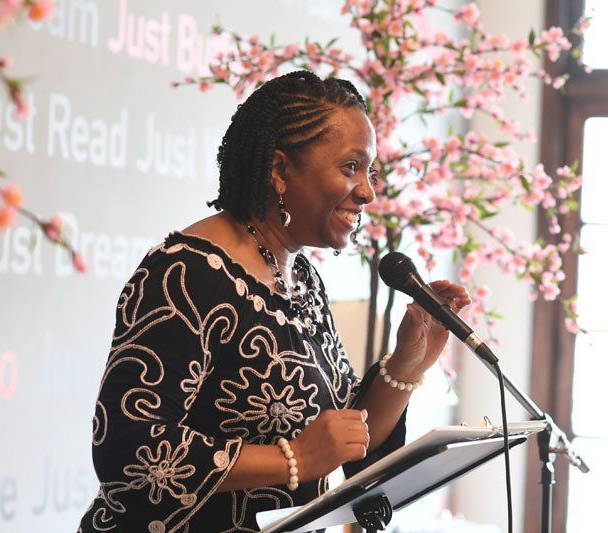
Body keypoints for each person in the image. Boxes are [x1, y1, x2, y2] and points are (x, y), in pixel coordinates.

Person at [77, 70, 470, 533]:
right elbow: (127, 452)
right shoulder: (186, 272)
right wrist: (295, 458)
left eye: (372, 172)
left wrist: (407, 364)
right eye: (351, 167)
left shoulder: (301, 277)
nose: (368, 191)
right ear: (280, 171)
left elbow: (345, 435)